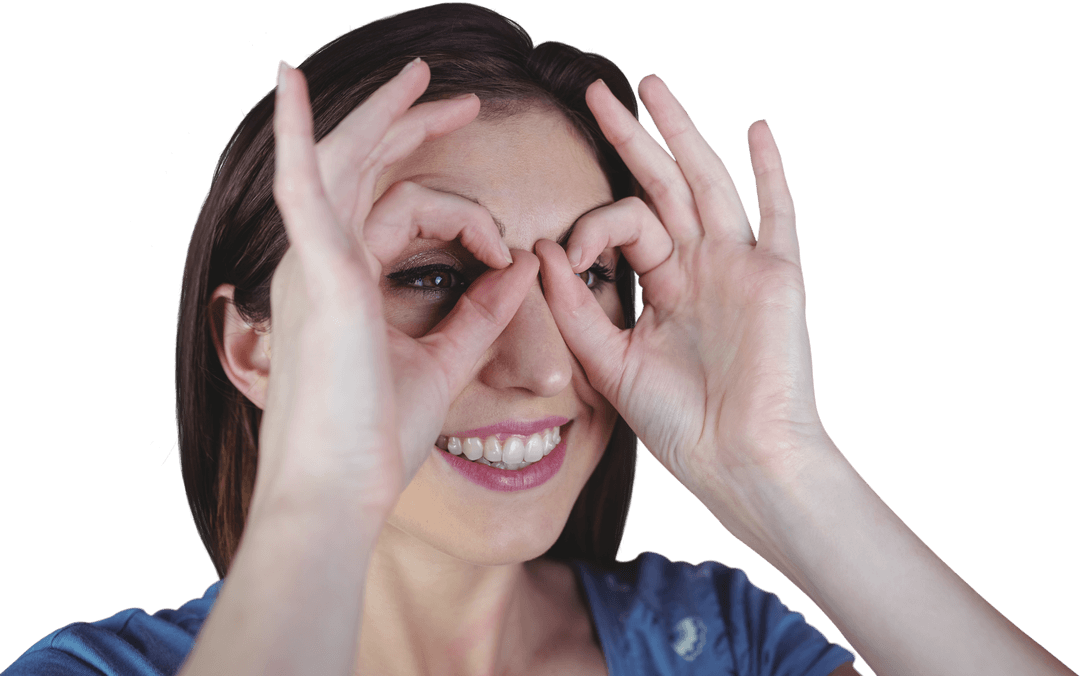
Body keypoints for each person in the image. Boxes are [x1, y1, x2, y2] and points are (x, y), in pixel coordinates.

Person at [3, 3, 1074, 676]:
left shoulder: (721, 642)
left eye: (589, 275)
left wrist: (780, 465)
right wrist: (320, 491)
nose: (547, 365)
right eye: (432, 276)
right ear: (255, 349)